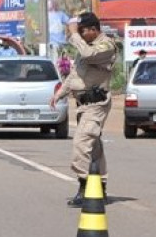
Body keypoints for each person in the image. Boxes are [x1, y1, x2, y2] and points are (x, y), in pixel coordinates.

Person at [49, 12, 118, 207]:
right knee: (94, 147)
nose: (78, 34)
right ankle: (100, 186)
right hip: (82, 104)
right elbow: (74, 75)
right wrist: (59, 94)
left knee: (81, 142)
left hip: (97, 104)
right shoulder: (84, 48)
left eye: (82, 31)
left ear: (93, 30)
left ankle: (84, 187)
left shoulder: (107, 46)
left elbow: (89, 55)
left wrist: (73, 34)